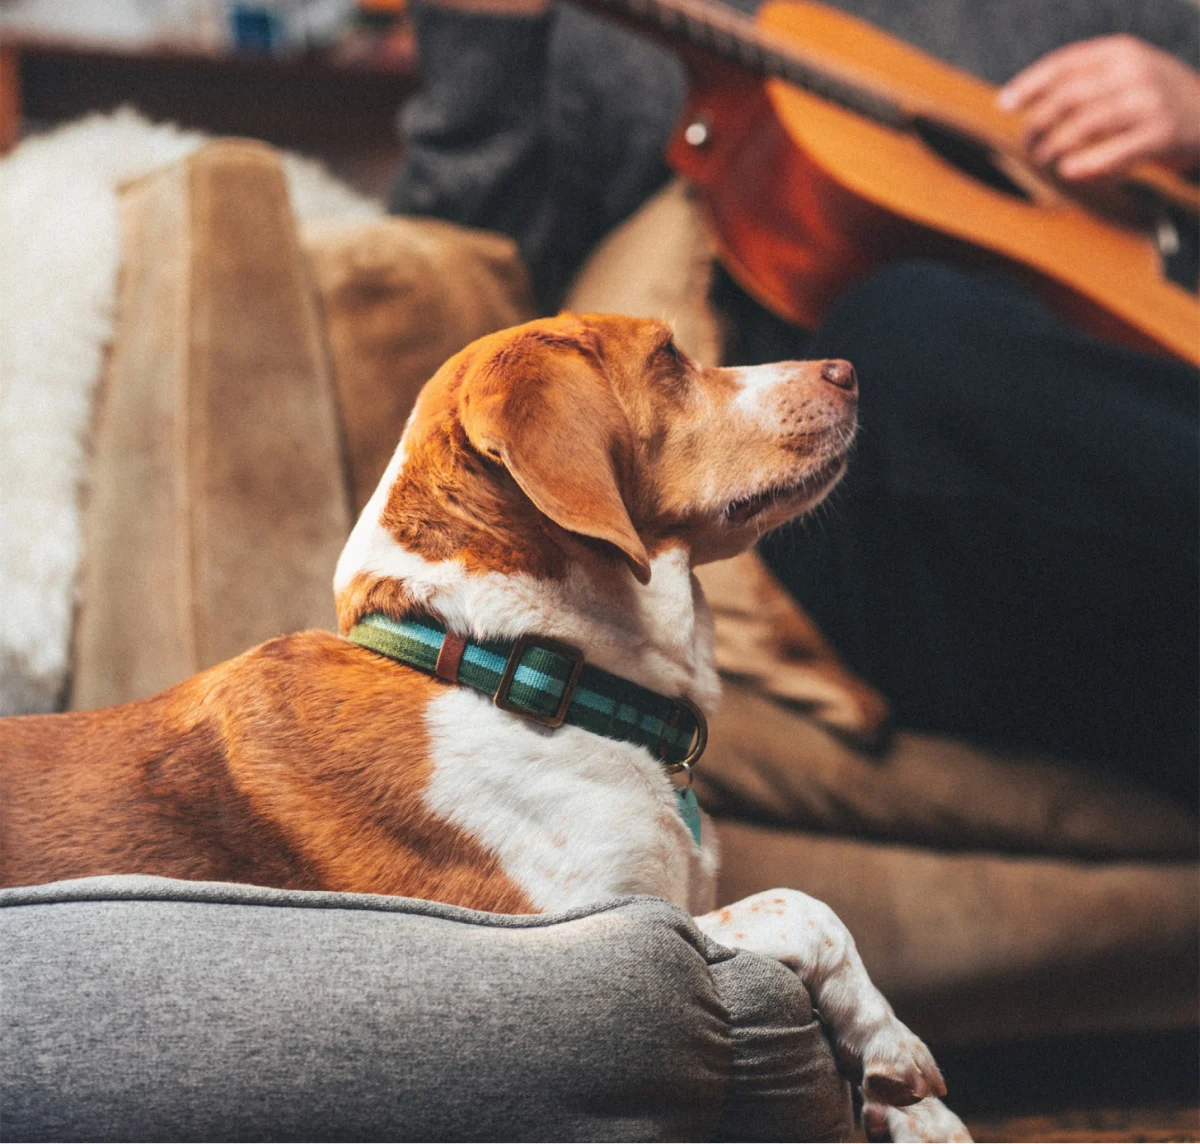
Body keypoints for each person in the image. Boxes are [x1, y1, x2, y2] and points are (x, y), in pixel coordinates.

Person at [390, 0, 1200, 805]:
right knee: (904, 337)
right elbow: (455, 306)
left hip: (1148, 434)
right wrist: (484, 38)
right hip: (880, 512)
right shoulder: (604, 52)